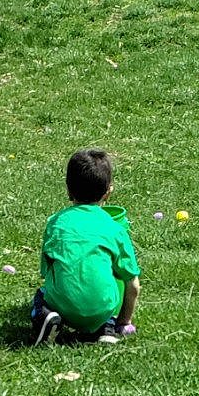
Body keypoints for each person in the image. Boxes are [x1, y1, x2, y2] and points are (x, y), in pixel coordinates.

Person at [31, 147, 142, 346]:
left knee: (41, 295)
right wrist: (124, 322)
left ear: (67, 189)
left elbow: (46, 271)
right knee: (106, 293)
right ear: (109, 192)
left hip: (63, 306)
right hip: (101, 308)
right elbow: (133, 285)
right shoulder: (115, 229)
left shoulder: (55, 222)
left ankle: (46, 317)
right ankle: (108, 327)